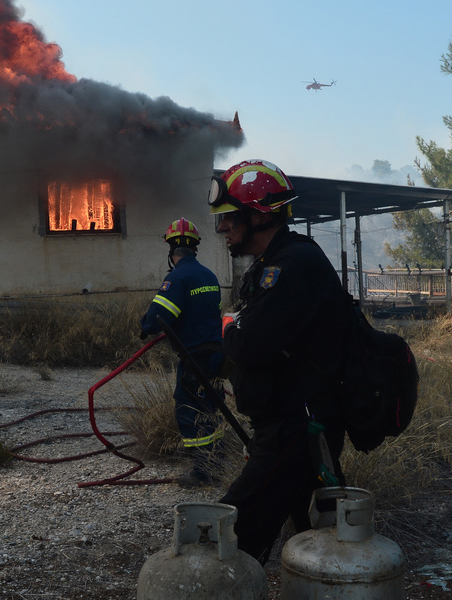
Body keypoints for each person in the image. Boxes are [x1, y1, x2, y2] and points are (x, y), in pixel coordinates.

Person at [207, 159, 350, 564]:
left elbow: (248, 346)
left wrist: (228, 325)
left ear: (258, 215)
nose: (221, 228)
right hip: (292, 424)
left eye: (229, 218)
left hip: (296, 429)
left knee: (230, 538)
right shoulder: (275, 263)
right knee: (322, 539)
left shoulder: (292, 266)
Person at [139, 218, 225, 488]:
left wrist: (144, 326)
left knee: (189, 411)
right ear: (194, 248)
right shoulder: (209, 276)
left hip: (195, 359)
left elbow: (156, 319)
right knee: (212, 407)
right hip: (216, 356)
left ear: (171, 249)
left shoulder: (177, 278)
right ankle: (217, 461)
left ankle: (202, 472)